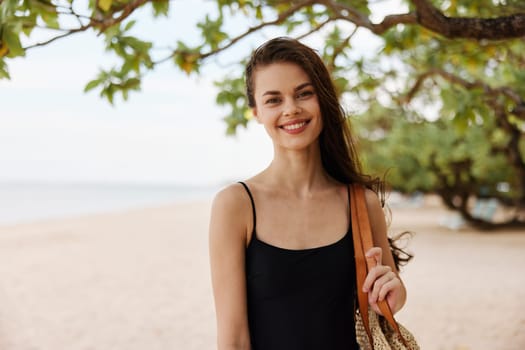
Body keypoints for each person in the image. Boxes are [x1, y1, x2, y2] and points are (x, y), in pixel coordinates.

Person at [209, 37, 410, 350]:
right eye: (273, 100)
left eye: (304, 94)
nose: (291, 109)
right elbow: (233, 340)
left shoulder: (361, 203)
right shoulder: (235, 205)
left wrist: (392, 294)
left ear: (323, 100)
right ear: (257, 112)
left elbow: (389, 300)